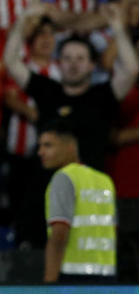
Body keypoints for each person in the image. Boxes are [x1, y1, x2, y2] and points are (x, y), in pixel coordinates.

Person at [4, 2, 139, 172]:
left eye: (80, 59)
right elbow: (11, 61)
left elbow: (131, 70)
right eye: (67, 58)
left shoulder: (103, 96)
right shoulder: (46, 90)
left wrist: (118, 28)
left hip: (89, 190)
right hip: (48, 188)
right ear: (59, 64)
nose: (73, 64)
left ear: (91, 65)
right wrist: (22, 20)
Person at [39, 121, 117, 283]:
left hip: (73, 278)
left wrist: (49, 282)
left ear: (70, 147)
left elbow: (59, 235)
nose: (40, 152)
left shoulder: (64, 178)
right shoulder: (104, 180)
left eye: (48, 146)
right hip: (107, 276)